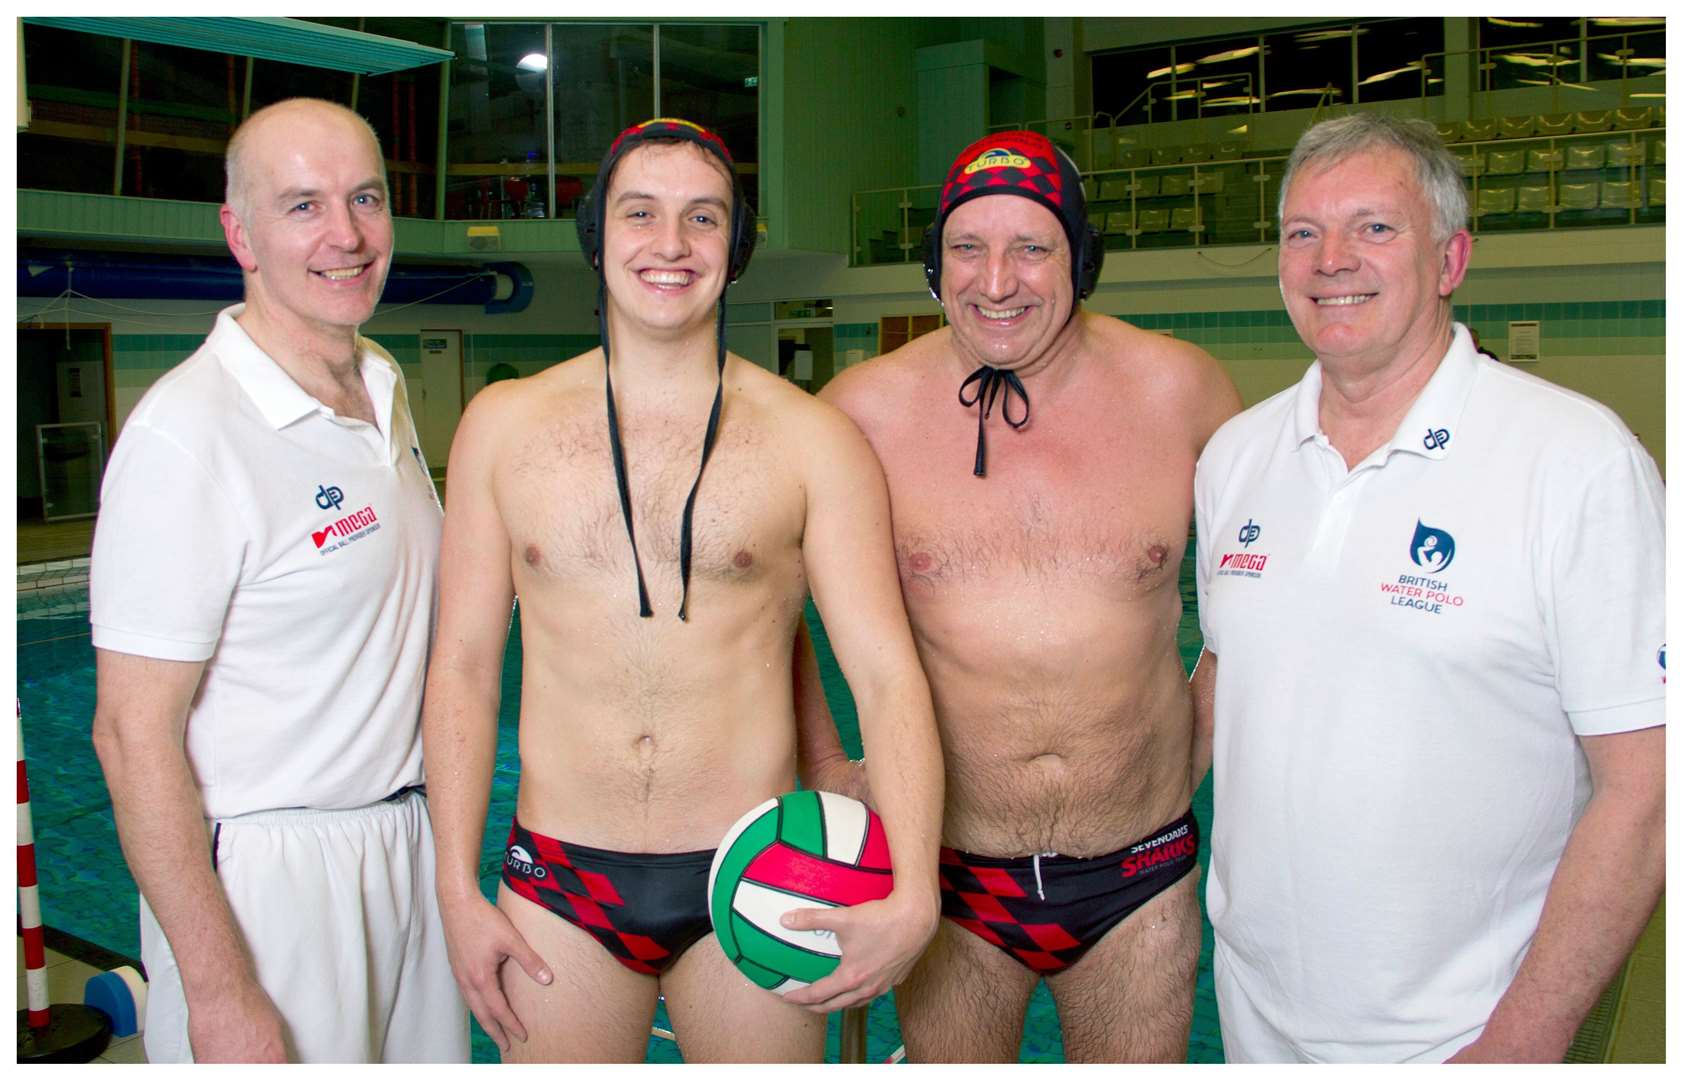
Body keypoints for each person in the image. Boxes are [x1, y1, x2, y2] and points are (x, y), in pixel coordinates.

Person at [421, 118, 943, 1063]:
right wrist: (456, 889)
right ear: (597, 238)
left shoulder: (812, 441)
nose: (670, 245)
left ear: (736, 248)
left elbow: (887, 677)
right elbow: (461, 668)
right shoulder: (501, 426)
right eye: (641, 214)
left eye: (703, 219)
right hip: (558, 883)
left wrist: (915, 890)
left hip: (760, 871)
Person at [1192, 113, 1665, 1063]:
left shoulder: (1574, 461)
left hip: (1466, 1031)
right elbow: (1223, 680)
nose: (1332, 260)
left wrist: (1517, 1046)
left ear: (1450, 259)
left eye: (1374, 227)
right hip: (1254, 1018)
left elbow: (1648, 789)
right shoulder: (1237, 456)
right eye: (1302, 231)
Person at [801, 130, 1241, 1061]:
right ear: (934, 264)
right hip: (950, 872)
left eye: (1031, 248)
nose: (996, 280)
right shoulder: (862, 411)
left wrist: (1209, 721)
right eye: (968, 248)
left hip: (1141, 871)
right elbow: (763, 608)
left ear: (1080, 260)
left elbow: (1270, 590)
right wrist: (825, 762)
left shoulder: (1181, 390)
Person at [89, 98, 467, 1063]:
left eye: (366, 199)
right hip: (270, 883)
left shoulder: (381, 380)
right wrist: (218, 989)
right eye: (302, 205)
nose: (345, 236)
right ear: (240, 234)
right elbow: (133, 736)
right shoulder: (189, 434)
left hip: (403, 844)